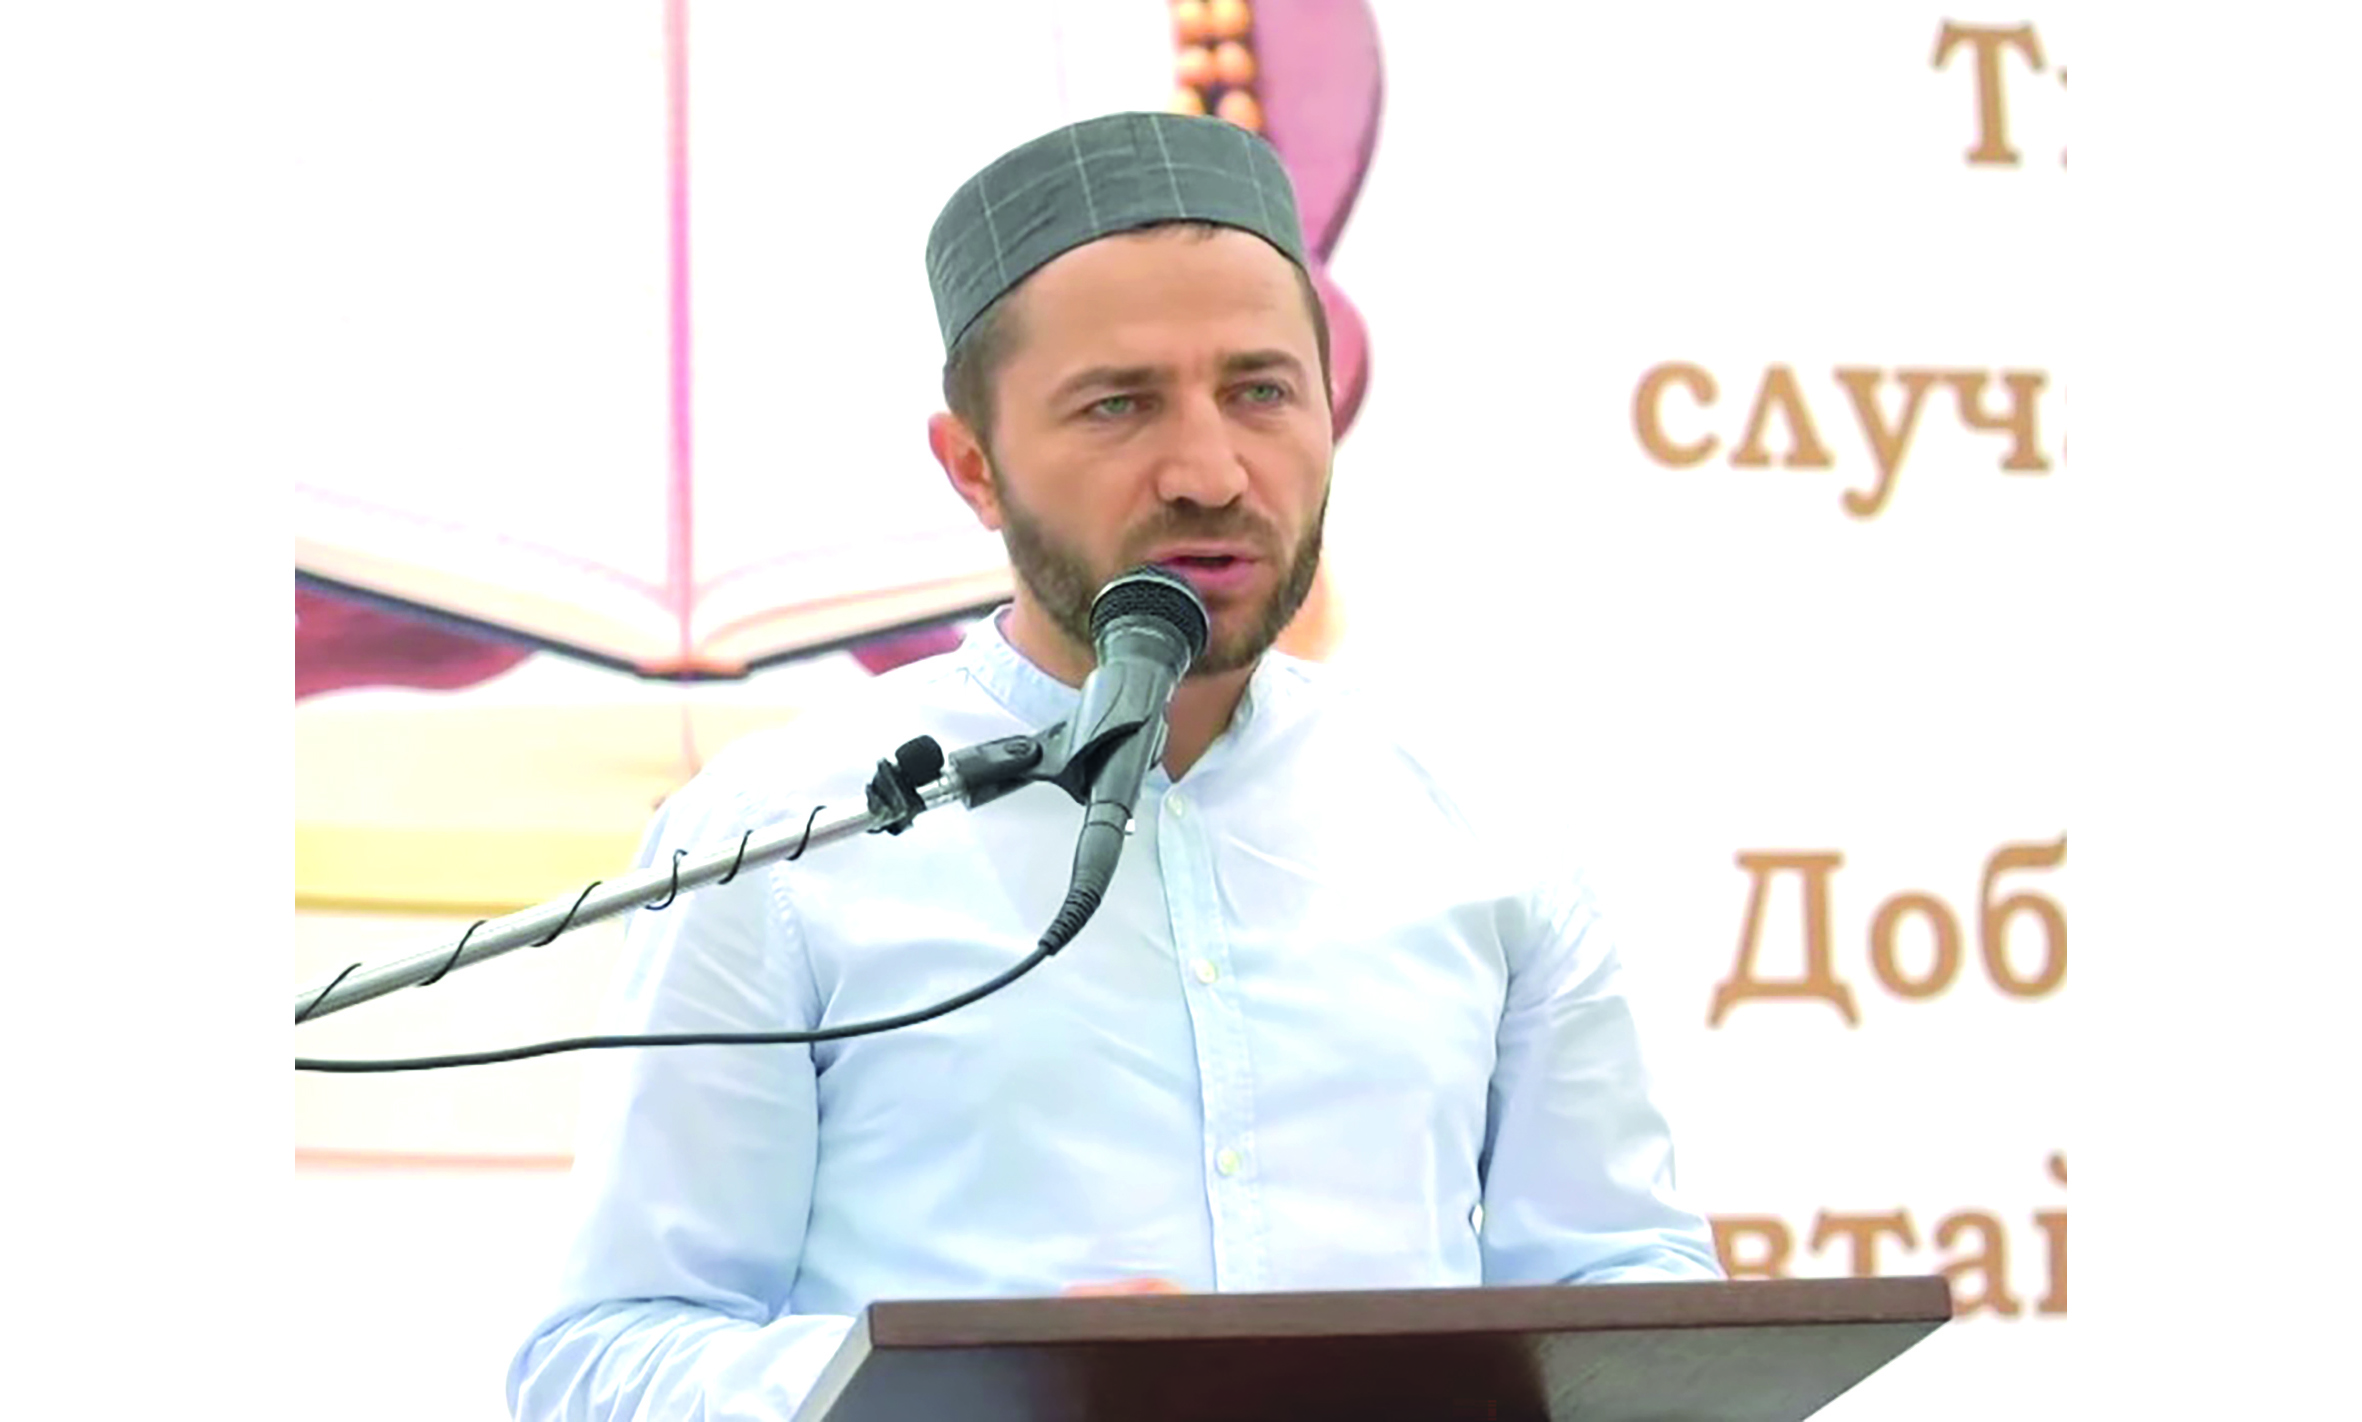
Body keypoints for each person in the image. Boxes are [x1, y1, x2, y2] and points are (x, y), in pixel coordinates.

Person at [507, 110, 1722, 1422]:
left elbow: (1625, 1294)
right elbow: (605, 1358)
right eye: (1119, 405)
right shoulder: (781, 841)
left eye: (1261, 392)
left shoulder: (1481, 834)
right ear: (974, 467)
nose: (1210, 471)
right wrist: (986, 1389)